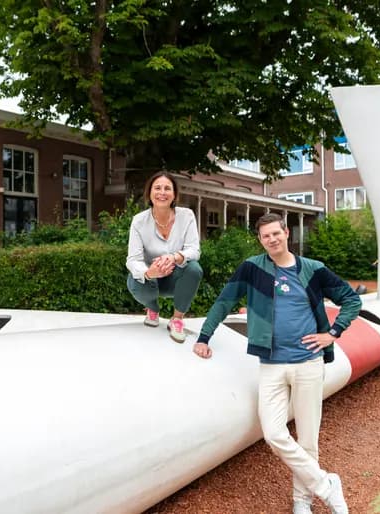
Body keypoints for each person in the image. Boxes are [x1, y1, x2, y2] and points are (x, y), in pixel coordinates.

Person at [193, 212, 360, 514]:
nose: (272, 239)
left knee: (308, 438)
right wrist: (204, 337)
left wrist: (332, 333)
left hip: (309, 363)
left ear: (286, 233)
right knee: (273, 433)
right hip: (271, 364)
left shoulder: (313, 270)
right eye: (265, 235)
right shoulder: (252, 269)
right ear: (260, 240)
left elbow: (352, 300)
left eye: (276, 233)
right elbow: (224, 301)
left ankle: (302, 502)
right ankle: (326, 485)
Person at [126, 171, 202, 343]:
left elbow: (194, 250)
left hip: (174, 279)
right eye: (157, 188)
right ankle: (152, 309)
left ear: (174, 194)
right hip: (149, 281)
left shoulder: (187, 215)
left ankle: (177, 319)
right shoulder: (138, 221)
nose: (162, 192)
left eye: (167, 188)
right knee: (135, 277)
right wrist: (150, 272)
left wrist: (175, 257)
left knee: (194, 268)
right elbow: (133, 260)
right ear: (149, 193)